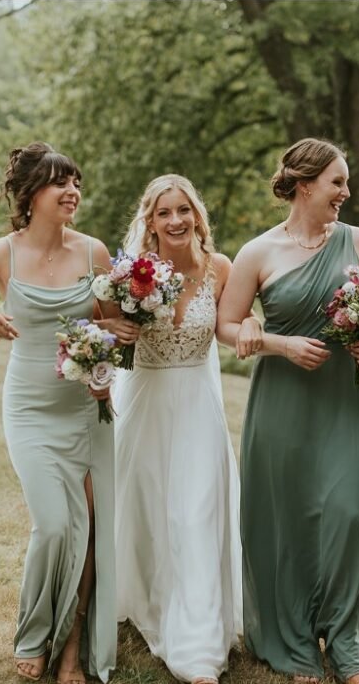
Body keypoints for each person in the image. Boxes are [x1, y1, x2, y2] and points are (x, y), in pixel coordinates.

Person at [216, 138, 359, 684]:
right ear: (306, 185)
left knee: (348, 516)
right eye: (338, 182)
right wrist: (278, 344)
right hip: (283, 397)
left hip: (348, 395)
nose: (346, 192)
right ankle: (291, 641)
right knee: (287, 519)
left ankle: (348, 644)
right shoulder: (257, 252)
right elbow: (228, 325)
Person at [0, 141, 138, 684]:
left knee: (92, 528)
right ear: (30, 194)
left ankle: (72, 647)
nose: (73, 191)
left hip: (87, 407)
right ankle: (32, 634)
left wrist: (105, 350)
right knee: (54, 526)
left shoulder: (93, 252)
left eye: (76, 181)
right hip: (29, 408)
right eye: (60, 182)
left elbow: (120, 334)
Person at [113, 175, 248, 684]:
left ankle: (195, 647)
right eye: (164, 213)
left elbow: (230, 327)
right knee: (147, 512)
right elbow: (105, 326)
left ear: (197, 215)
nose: (175, 221)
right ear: (149, 221)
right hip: (146, 403)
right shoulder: (131, 273)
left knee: (194, 514)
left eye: (183, 210)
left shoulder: (221, 268)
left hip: (196, 406)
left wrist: (253, 330)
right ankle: (149, 597)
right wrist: (115, 329)